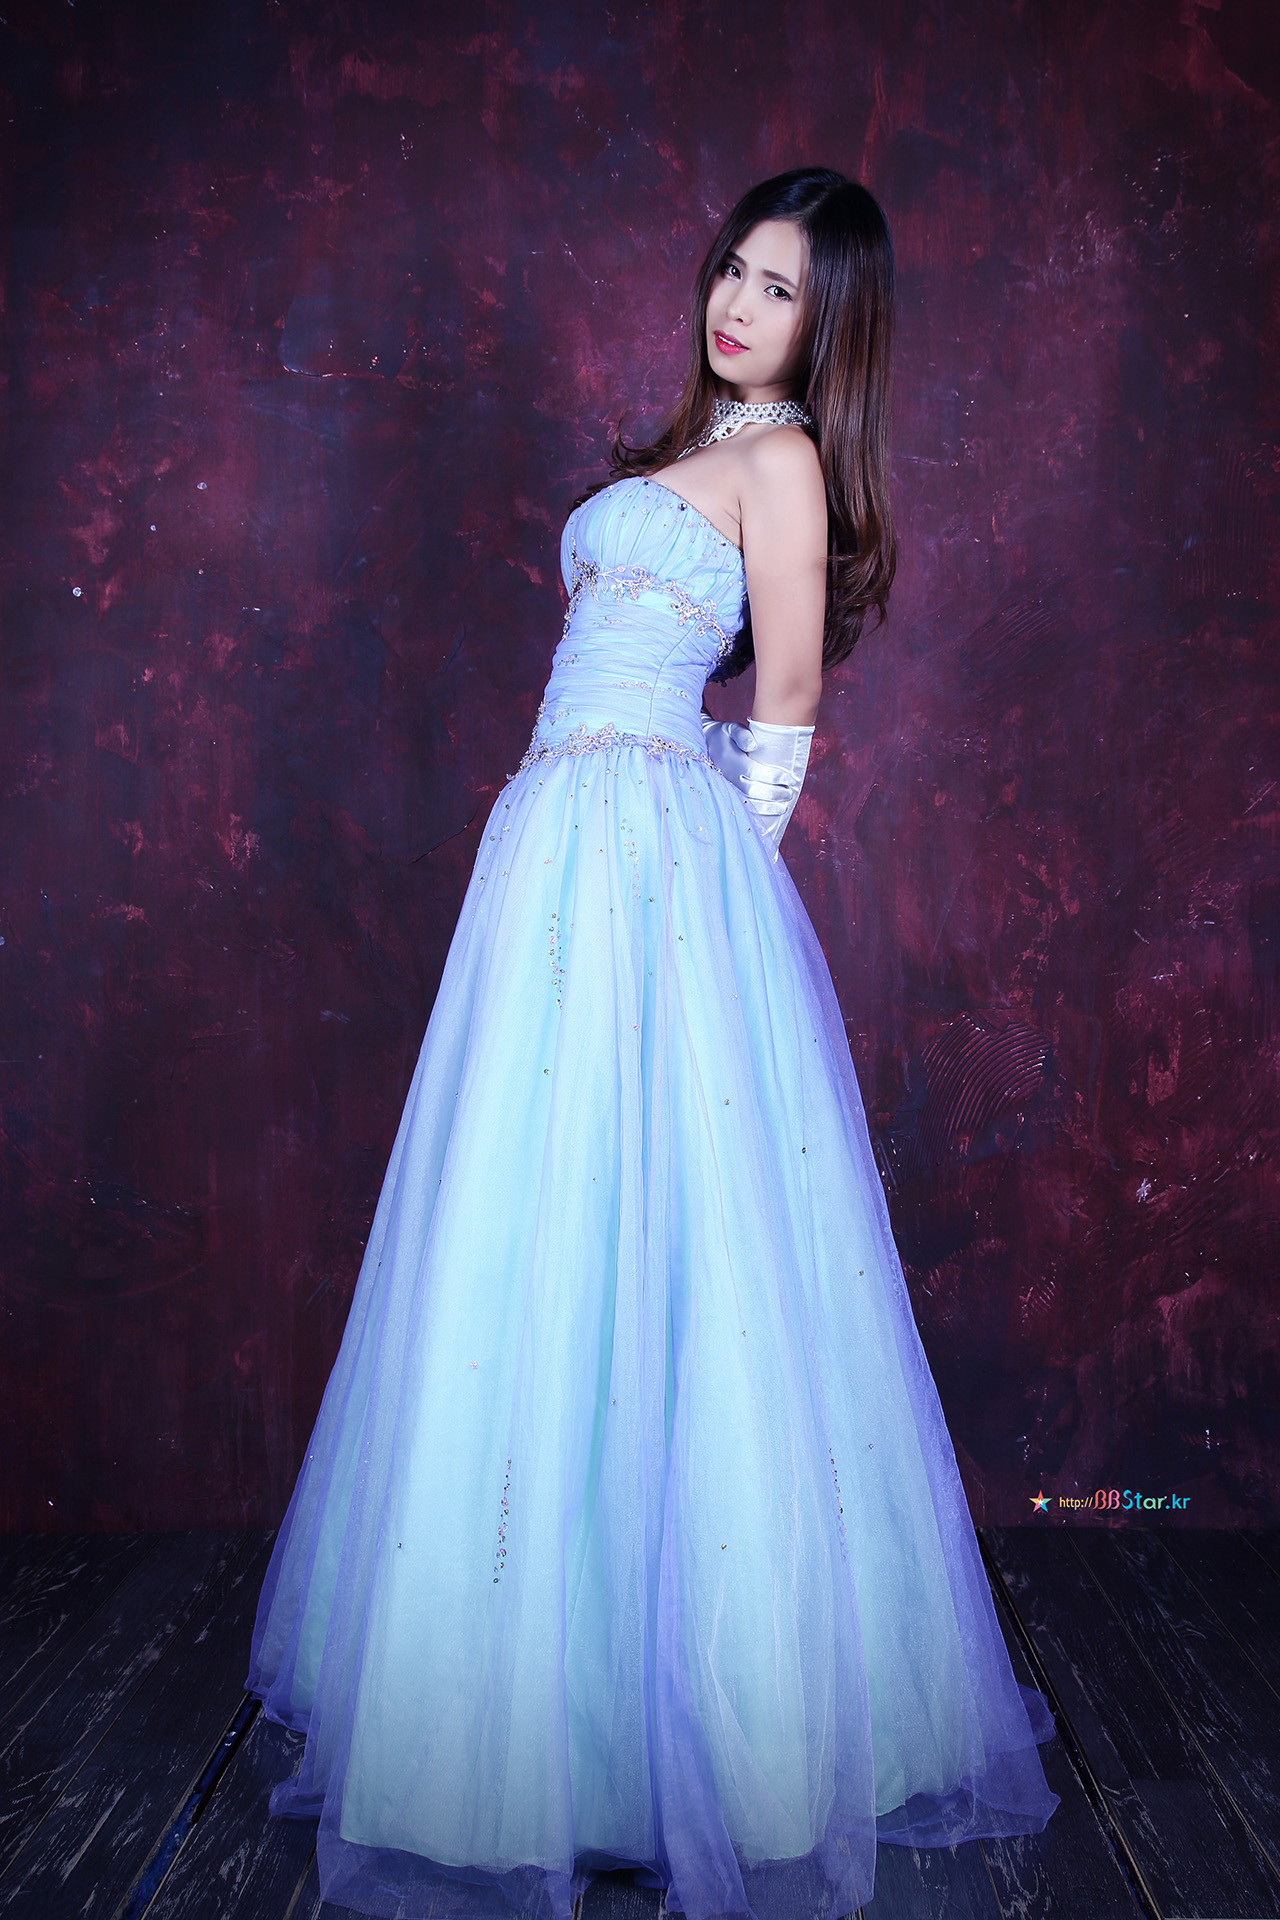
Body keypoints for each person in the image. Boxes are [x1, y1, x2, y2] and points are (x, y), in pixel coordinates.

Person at [245, 166, 1059, 1920]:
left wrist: (715, 907)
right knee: (534, 1223)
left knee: (671, 1233)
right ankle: (539, 1708)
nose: (739, 305)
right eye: (733, 271)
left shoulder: (782, 462)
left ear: (831, 327)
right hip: (552, 839)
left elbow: (788, 696)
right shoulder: (692, 446)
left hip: (651, 859)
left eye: (780, 290)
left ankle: (704, 1734)